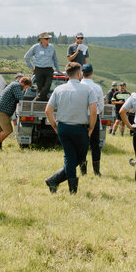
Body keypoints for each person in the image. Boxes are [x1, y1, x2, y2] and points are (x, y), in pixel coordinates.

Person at [43, 62, 98, 195]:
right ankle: (68, 188)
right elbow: (94, 111)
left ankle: (55, 181)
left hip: (63, 127)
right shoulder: (88, 90)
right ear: (79, 74)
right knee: (79, 158)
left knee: (70, 157)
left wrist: (55, 125)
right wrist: (91, 128)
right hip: (80, 128)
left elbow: (48, 111)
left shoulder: (59, 89)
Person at [0, 74, 30, 151]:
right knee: (8, 130)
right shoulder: (16, 86)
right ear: (23, 83)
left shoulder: (13, 84)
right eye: (27, 87)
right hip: (3, 111)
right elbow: (20, 98)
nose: (26, 89)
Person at [81, 64, 105, 175]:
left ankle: (83, 170)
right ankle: (96, 171)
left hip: (80, 117)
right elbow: (101, 105)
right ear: (92, 73)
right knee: (95, 144)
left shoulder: (79, 86)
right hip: (94, 116)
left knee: (81, 144)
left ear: (82, 73)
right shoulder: (97, 87)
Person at [24, 33, 58, 100]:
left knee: (48, 85)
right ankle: (43, 100)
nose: (48, 40)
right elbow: (26, 57)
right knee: (40, 87)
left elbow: (55, 58)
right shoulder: (35, 47)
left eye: (48, 39)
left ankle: (36, 100)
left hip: (49, 69)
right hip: (39, 69)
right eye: (46, 39)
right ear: (41, 39)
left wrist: (57, 68)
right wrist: (31, 68)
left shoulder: (52, 47)